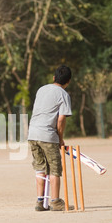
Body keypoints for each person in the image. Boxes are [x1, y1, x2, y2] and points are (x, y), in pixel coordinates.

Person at [28, 65, 74, 211]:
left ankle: (40, 202)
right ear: (68, 82)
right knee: (54, 169)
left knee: (40, 167)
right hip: (47, 134)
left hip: (32, 133)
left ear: (54, 78)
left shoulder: (41, 89)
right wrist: (60, 138)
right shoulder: (63, 94)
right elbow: (61, 119)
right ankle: (55, 201)